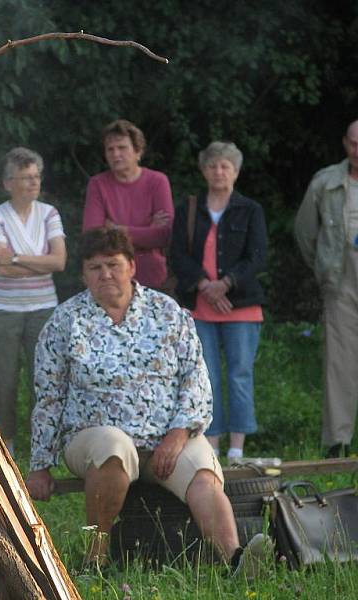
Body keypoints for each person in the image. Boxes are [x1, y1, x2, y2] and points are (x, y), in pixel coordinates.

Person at [25, 228, 272, 575]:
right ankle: (95, 560)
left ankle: (234, 560)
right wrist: (40, 465)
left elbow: (195, 380)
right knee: (113, 446)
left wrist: (178, 434)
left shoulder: (167, 312)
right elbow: (49, 396)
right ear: (83, 275)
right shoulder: (65, 322)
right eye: (95, 268)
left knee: (202, 472)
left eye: (113, 264)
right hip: (92, 436)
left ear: (132, 267)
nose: (105, 274)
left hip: (167, 438)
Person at [170, 142, 268, 463]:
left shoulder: (250, 209)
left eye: (225, 166)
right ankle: (210, 444)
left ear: (236, 171)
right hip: (199, 306)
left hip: (241, 306)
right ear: (203, 170)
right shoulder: (189, 208)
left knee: (240, 373)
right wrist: (204, 284)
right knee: (205, 375)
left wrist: (225, 284)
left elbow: (257, 256)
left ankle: (237, 448)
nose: (219, 171)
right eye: (212, 165)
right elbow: (178, 255)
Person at [0, 147, 67, 454]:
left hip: (43, 307)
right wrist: (37, 262)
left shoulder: (49, 214)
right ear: (8, 183)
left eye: (36, 177)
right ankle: (4, 443)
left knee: (44, 376)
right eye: (25, 177)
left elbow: (59, 262)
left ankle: (44, 442)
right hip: (1, 309)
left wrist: (16, 256)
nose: (33, 183)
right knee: (2, 378)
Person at [295, 119, 358, 458]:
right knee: (341, 361)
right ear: (344, 143)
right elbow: (305, 232)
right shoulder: (326, 182)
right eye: (353, 143)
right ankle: (338, 441)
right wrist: (324, 267)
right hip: (342, 278)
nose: (357, 151)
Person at [83, 119, 174, 291]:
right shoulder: (98, 184)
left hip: (152, 278)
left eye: (122, 148)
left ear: (138, 151)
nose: (115, 154)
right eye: (110, 149)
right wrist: (147, 230)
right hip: (110, 280)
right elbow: (92, 236)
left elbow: (165, 236)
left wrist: (115, 229)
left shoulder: (157, 182)